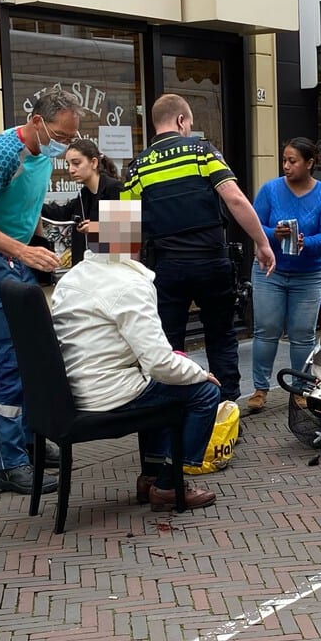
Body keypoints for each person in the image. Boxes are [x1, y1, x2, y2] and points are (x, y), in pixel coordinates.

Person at [0, 86, 82, 494]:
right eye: (61, 137)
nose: (63, 146)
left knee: (33, 353)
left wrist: (45, 239)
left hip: (13, 257)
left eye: (71, 139)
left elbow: (23, 209)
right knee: (8, 357)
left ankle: (30, 442)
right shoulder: (4, 153)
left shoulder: (41, 156)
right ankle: (10, 464)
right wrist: (23, 251)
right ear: (38, 122)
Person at [52, 199, 223, 510]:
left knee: (162, 387)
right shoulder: (129, 284)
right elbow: (158, 363)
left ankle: (151, 476)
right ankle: (169, 485)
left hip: (72, 388)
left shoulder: (73, 277)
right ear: (137, 241)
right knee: (204, 393)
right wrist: (199, 373)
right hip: (107, 393)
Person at [121, 94, 275, 402]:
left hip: (167, 268)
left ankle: (173, 415)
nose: (190, 129)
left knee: (168, 342)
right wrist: (262, 242)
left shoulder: (135, 167)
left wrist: (130, 277)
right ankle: (227, 409)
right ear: (181, 121)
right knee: (221, 337)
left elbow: (122, 232)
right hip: (211, 263)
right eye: (189, 123)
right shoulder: (201, 151)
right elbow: (235, 199)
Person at [245, 138, 321, 415]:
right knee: (266, 330)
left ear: (309, 163)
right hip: (269, 271)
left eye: (292, 161)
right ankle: (260, 390)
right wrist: (272, 233)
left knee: (302, 335)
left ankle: (301, 389)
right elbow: (254, 224)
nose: (286, 166)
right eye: (284, 160)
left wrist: (306, 243)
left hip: (308, 274)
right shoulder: (270, 190)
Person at [41, 137, 123, 268]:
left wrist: (97, 228)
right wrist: (31, 202)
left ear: (94, 163)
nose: (71, 170)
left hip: (112, 273)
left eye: (76, 163)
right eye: (68, 164)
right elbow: (60, 213)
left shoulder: (115, 188)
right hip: (88, 272)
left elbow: (131, 233)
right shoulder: (83, 195)